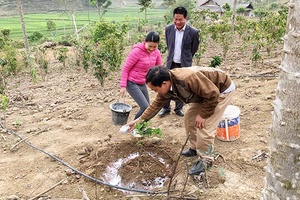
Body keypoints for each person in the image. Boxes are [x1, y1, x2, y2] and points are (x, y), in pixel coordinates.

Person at [127, 66, 235, 174]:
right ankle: (194, 148)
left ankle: (206, 159)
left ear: (164, 83)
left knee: (204, 124)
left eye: (155, 89)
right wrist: (139, 120)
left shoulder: (187, 79)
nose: (156, 92)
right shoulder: (166, 87)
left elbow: (212, 94)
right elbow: (155, 106)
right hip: (204, 95)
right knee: (190, 118)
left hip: (221, 91)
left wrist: (203, 115)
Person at [159, 6, 200, 117]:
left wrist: (186, 58)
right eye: (175, 19)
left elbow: (193, 49)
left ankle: (178, 108)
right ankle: (165, 108)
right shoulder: (168, 29)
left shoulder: (193, 32)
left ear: (185, 18)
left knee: (181, 86)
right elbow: (169, 45)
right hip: (171, 62)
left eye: (180, 19)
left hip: (184, 64)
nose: (177, 22)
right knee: (166, 84)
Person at [120, 31, 162, 119]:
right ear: (145, 42)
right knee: (145, 107)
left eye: (154, 46)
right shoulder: (136, 52)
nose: (151, 49)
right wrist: (123, 86)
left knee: (148, 108)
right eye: (149, 46)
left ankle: (141, 127)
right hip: (131, 82)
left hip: (142, 82)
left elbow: (159, 69)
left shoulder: (156, 53)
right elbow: (125, 69)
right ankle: (134, 127)